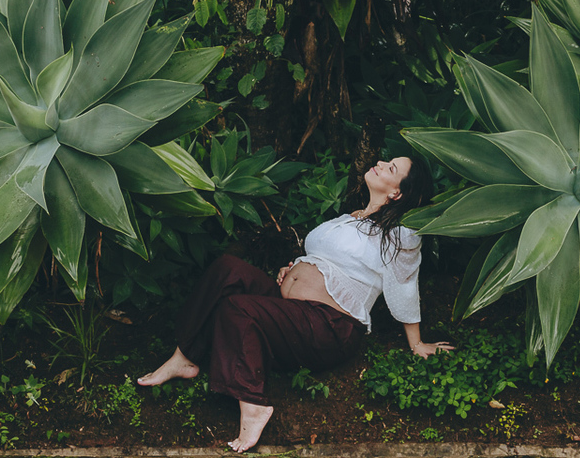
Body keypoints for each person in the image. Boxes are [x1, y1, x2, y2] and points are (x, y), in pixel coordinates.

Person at [137, 155, 453, 452]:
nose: (381, 163)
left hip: (329, 328)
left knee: (237, 309)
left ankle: (253, 403)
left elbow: (405, 284)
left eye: (391, 168)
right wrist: (295, 269)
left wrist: (416, 343)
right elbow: (324, 260)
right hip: (292, 310)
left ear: (397, 193)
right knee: (227, 269)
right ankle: (184, 357)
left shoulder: (399, 236)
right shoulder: (351, 218)